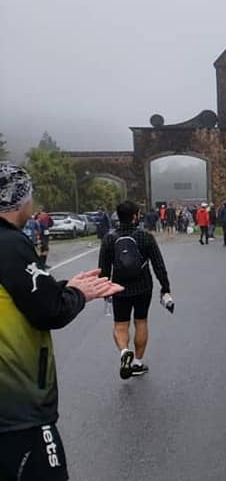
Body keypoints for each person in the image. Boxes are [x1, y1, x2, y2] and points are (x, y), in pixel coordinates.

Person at [0, 162, 125, 481]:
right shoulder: (10, 244)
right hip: (18, 411)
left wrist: (66, 287)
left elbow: (20, 295)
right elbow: (49, 310)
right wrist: (79, 294)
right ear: (21, 199)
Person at [99, 201, 172, 380]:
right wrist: (165, 287)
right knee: (141, 322)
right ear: (134, 216)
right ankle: (138, 363)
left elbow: (103, 268)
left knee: (120, 325)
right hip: (143, 286)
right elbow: (158, 264)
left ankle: (124, 352)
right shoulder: (145, 237)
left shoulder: (109, 238)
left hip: (119, 287)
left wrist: (105, 288)